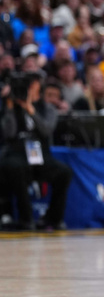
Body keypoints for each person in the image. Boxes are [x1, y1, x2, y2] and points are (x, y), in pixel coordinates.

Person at [0, 72, 73, 230]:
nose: (28, 89)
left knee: (64, 173)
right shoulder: (10, 106)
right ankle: (26, 219)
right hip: (16, 153)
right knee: (15, 167)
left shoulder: (47, 108)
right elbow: (9, 133)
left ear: (38, 87)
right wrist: (10, 108)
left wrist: (30, 109)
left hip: (40, 155)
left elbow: (46, 130)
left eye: (32, 85)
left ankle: (53, 218)